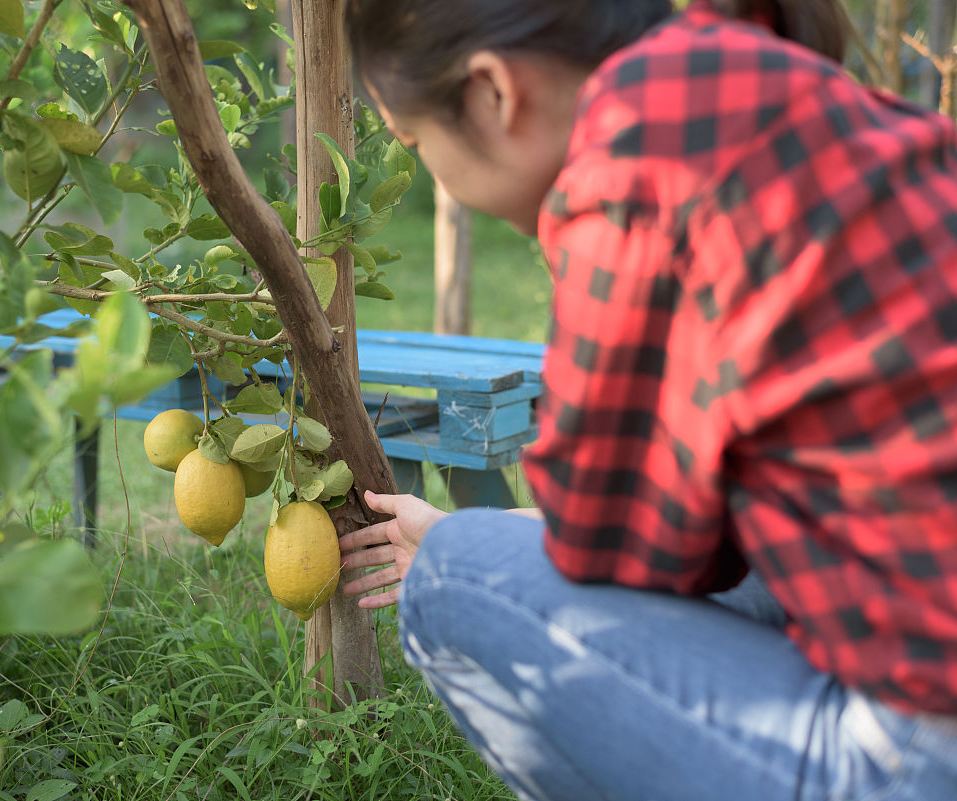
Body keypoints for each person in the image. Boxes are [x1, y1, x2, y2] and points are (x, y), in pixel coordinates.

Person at [336, 1, 957, 799]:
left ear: (494, 92)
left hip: (920, 749)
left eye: (418, 143)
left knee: (455, 578)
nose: (430, 169)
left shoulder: (627, 166)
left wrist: (459, 540)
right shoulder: (786, 87)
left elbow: (626, 556)